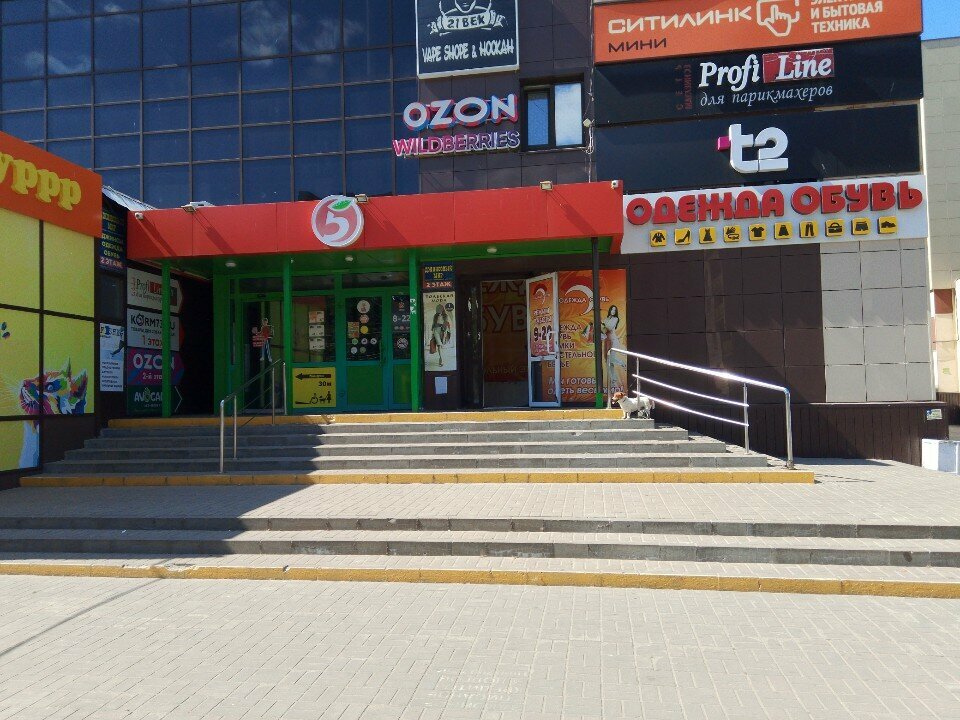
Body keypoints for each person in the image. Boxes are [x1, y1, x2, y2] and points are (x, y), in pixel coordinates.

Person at [431, 303, 450, 367]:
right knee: (439, 344)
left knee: (441, 345)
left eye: (440, 308)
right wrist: (432, 333)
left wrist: (445, 331)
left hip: (442, 330)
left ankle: (441, 358)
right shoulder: (435, 316)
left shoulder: (445, 316)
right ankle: (441, 359)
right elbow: (433, 324)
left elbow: (446, 323)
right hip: (436, 330)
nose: (438, 309)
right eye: (437, 308)